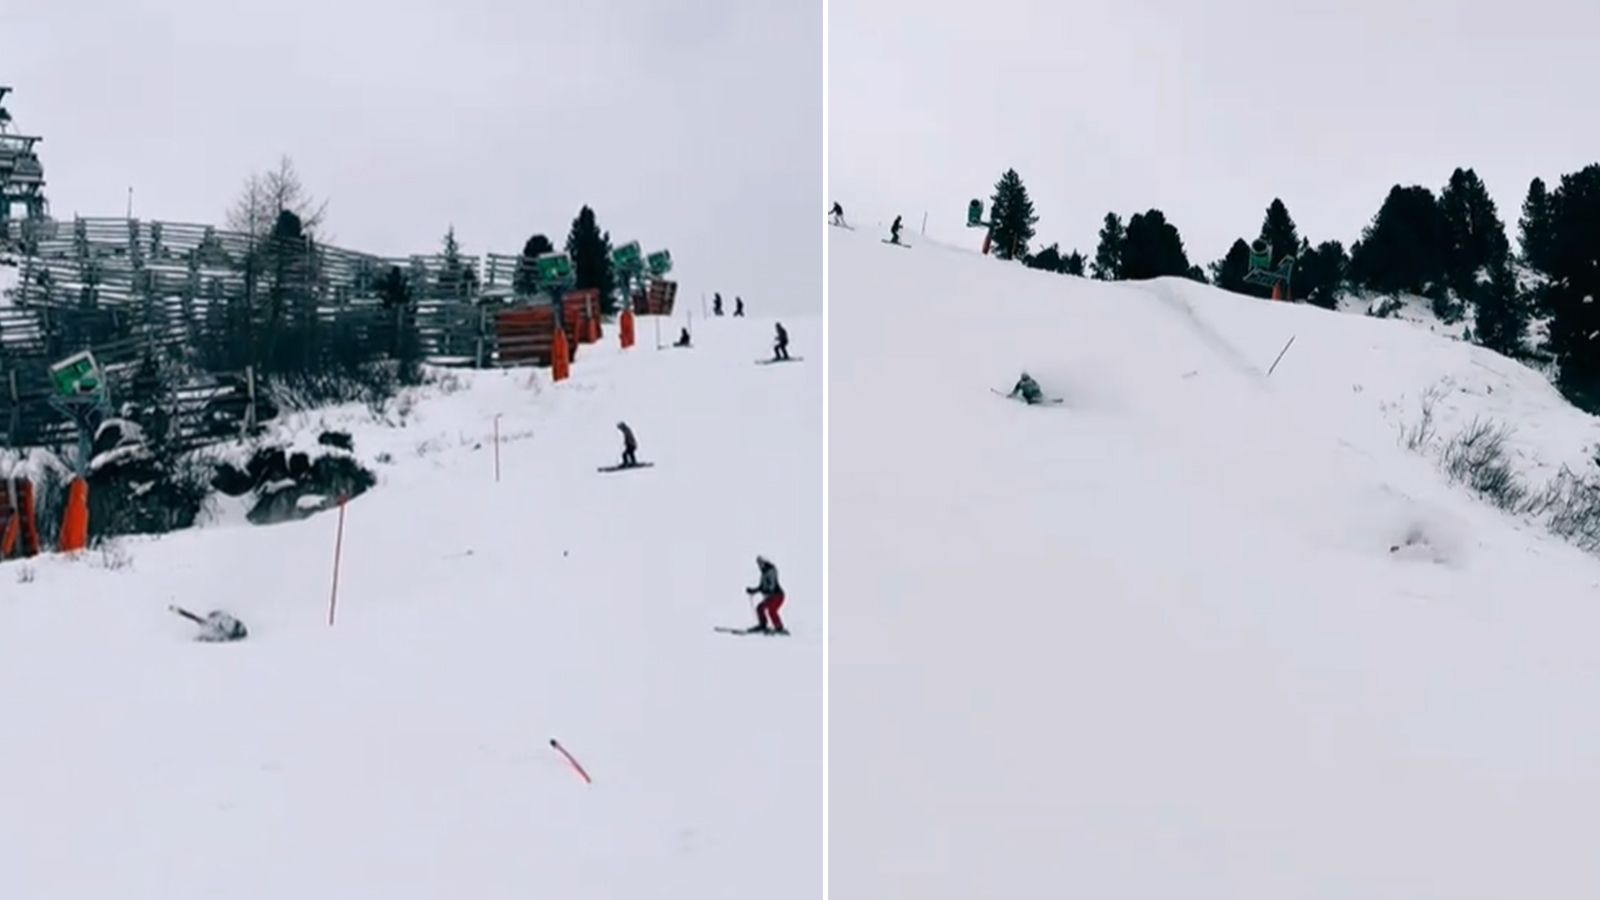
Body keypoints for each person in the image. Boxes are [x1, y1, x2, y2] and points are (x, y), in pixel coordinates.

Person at [744, 555, 787, 634]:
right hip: (771, 597)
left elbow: (771, 586)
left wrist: (765, 590)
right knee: (760, 608)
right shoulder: (763, 573)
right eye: (758, 563)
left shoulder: (771, 570)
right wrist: (753, 590)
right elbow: (762, 587)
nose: (759, 565)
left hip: (778, 596)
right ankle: (763, 625)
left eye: (760, 563)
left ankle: (779, 627)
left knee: (772, 610)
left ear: (765, 562)